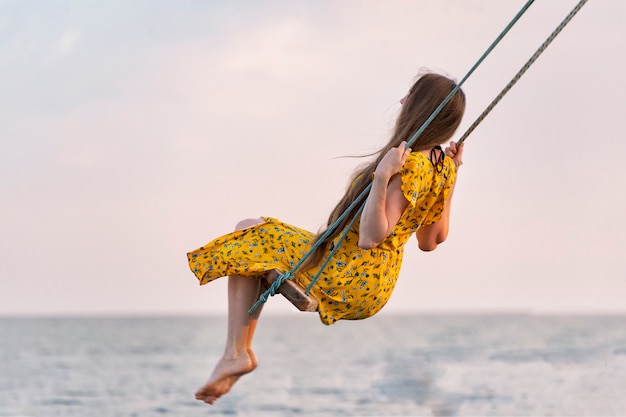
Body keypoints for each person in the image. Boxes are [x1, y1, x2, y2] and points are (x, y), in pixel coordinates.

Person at [186, 71, 466, 405]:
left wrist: (380, 178)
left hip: (350, 274)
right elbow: (431, 240)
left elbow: (371, 237)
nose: (402, 100)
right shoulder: (442, 166)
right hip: (377, 285)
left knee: (249, 231)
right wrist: (455, 174)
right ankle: (237, 352)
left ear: (421, 108)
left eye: (409, 95)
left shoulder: (411, 165)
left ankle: (236, 352)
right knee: (258, 238)